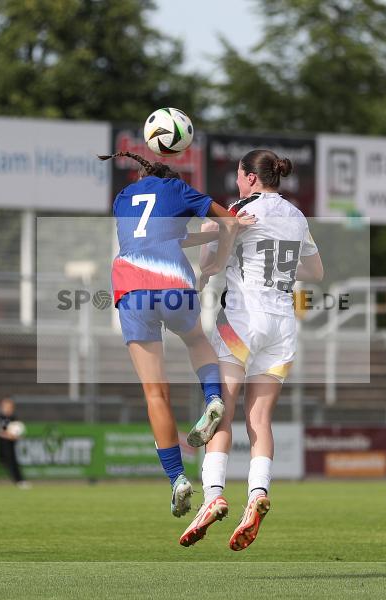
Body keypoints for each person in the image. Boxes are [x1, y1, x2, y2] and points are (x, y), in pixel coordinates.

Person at [180, 149, 323, 550]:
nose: (237, 183)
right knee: (259, 418)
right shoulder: (297, 217)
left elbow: (214, 257)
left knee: (220, 410)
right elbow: (316, 273)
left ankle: (212, 496)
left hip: (242, 321)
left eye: (240, 176)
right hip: (281, 326)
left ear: (249, 177)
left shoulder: (238, 208)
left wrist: (212, 260)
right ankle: (258, 493)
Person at [98, 151, 247, 519]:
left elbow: (150, 236)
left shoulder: (122, 199)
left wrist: (193, 237)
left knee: (155, 392)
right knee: (198, 341)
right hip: (175, 283)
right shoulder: (179, 189)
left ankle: (177, 479)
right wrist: (215, 255)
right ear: (170, 173)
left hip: (131, 289)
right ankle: (212, 398)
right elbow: (229, 221)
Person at [0, 397, 30, 489]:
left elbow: (19, 430)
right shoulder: (0, 418)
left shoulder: (14, 418)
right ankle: (16, 480)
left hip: (11, 444)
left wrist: (18, 436)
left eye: (10, 407)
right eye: (6, 406)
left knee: (13, 462)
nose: (8, 408)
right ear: (2, 407)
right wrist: (9, 436)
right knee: (6, 462)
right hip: (3, 444)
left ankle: (19, 481)